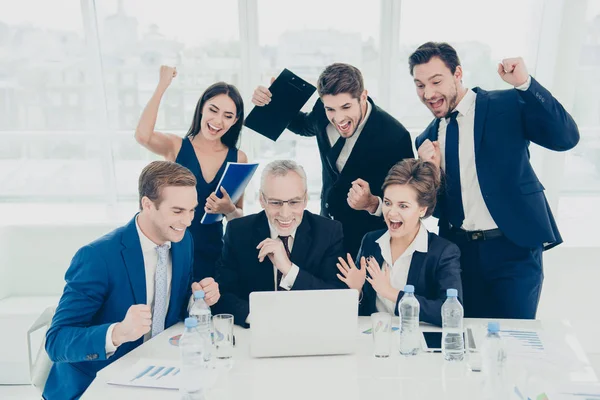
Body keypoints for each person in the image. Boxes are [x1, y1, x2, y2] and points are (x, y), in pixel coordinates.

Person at [410, 42, 580, 319]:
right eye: (419, 85)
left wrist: (525, 84)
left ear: (458, 74)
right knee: (465, 343)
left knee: (514, 344)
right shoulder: (426, 139)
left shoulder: (506, 104)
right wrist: (430, 172)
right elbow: (439, 210)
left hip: (513, 249)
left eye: (436, 81)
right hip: (460, 255)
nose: (428, 93)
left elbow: (566, 138)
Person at [43, 161, 221, 399]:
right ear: (147, 205)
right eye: (178, 211)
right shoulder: (98, 257)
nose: (187, 221)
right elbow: (57, 341)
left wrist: (198, 297)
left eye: (192, 210)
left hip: (158, 373)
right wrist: (117, 332)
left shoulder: (182, 240)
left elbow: (171, 301)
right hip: (96, 383)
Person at [252, 63, 414, 257]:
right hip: (325, 231)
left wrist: (372, 203)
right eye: (331, 109)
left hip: (367, 241)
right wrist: (274, 102)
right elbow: (305, 126)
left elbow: (407, 202)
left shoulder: (395, 136)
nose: (339, 118)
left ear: (363, 96)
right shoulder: (322, 110)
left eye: (346, 107)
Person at [135, 65, 248, 282]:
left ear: (235, 121)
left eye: (227, 116)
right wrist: (162, 85)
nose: (217, 121)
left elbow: (238, 218)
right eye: (213, 110)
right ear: (201, 108)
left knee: (208, 312)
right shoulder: (176, 146)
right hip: (173, 250)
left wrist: (229, 209)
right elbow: (142, 136)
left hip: (214, 254)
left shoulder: (238, 158)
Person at [213, 160, 346, 327]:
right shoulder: (238, 231)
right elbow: (223, 294)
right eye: (275, 203)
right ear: (262, 200)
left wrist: (289, 270)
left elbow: (336, 297)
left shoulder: (328, 232)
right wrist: (260, 319)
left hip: (311, 329)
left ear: (305, 199)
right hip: (256, 331)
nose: (285, 214)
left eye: (294, 202)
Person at [336, 159, 462, 326]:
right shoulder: (371, 241)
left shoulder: (443, 252)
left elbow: (452, 313)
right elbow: (362, 312)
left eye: (403, 206)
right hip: (375, 341)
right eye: (388, 203)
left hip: (416, 342)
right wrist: (356, 291)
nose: (391, 213)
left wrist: (390, 292)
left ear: (422, 209)